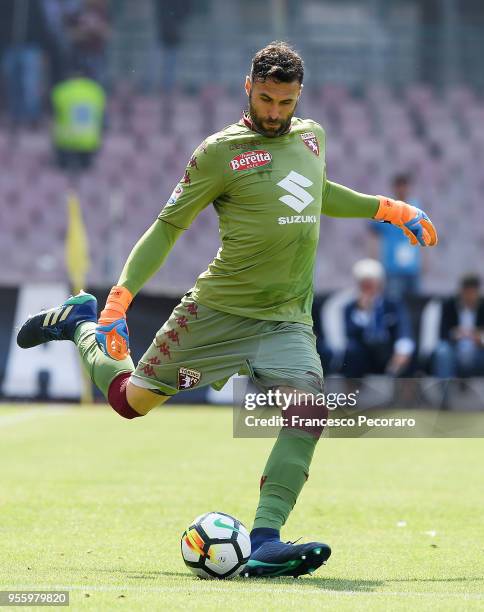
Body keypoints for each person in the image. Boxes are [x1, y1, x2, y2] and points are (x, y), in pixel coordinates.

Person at [17, 42, 437, 578]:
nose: (274, 113)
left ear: (298, 98)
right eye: (265, 99)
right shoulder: (220, 152)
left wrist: (388, 208)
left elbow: (313, 191)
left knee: (309, 411)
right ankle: (79, 323)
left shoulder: (312, 137)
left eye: (285, 103)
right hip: (216, 313)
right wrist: (118, 301)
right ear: (248, 87)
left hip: (286, 318)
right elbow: (168, 227)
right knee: (129, 402)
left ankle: (265, 540)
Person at [341, 259, 415, 378]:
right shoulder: (350, 308)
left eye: (371, 282)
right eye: (364, 282)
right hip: (364, 354)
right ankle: (352, 393)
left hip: (388, 351)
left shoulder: (393, 304)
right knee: (352, 352)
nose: (368, 286)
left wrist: (402, 352)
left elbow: (404, 330)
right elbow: (350, 335)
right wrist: (362, 312)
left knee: (407, 354)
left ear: (380, 283)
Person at [368, 174, 423, 301]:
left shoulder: (416, 208)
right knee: (394, 301)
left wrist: (425, 259)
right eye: (399, 186)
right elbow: (373, 233)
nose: (402, 190)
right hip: (392, 267)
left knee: (415, 302)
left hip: (413, 267)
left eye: (404, 186)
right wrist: (373, 258)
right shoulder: (387, 208)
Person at [51, 66, 106, 172]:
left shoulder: (61, 90)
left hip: (66, 140)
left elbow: (54, 114)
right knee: (86, 170)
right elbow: (101, 114)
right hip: (89, 141)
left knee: (63, 169)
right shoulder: (96, 90)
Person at [433, 274, 484, 378]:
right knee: (442, 351)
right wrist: (455, 334)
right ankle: (445, 393)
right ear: (461, 291)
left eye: (472, 292)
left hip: (477, 351)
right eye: (466, 292)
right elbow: (443, 334)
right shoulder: (449, 305)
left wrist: (479, 337)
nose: (469, 296)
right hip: (455, 349)